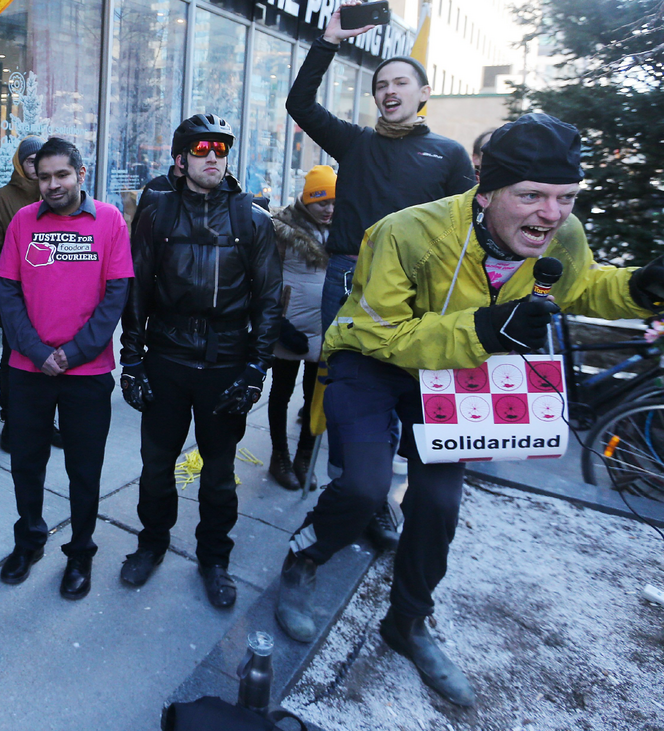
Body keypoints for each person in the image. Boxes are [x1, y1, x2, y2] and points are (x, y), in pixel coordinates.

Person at [274, 113, 664, 706]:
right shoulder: (406, 232)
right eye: (532, 195)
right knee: (363, 485)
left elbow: (581, 287)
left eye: (565, 197)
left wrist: (639, 289)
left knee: (438, 502)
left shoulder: (565, 234)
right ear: (486, 194)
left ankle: (405, 621)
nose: (552, 213)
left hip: (458, 367)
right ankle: (305, 559)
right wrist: (485, 328)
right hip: (373, 358)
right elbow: (381, 331)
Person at [286, 1, 476, 547]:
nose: (389, 91)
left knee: (398, 392)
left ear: (423, 94)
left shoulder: (448, 156)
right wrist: (328, 41)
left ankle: (369, 490)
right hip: (347, 281)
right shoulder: (356, 143)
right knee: (348, 393)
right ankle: (353, 493)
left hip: (419, 296)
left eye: (400, 82)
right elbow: (299, 102)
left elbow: (465, 237)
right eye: (381, 85)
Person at [119, 113, 282, 609]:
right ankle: (151, 544)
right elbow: (136, 288)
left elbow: (269, 299)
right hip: (167, 357)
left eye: (220, 150)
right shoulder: (156, 213)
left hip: (226, 362)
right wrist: (131, 359)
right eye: (202, 149)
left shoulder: (251, 218)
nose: (213, 157)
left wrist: (257, 368)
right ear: (180, 159)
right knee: (155, 467)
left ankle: (215, 558)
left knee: (217, 472)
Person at [0, 137, 133, 600]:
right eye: (44, 176)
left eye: (61, 175)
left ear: (80, 173)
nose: (52, 185)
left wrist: (71, 355)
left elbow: (115, 297)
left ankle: (79, 553)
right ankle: (29, 541)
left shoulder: (110, 221)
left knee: (84, 470)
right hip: (28, 370)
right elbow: (8, 293)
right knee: (26, 465)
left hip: (87, 373)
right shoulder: (22, 220)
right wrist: (37, 352)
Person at [266, 165, 333, 491]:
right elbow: (265, 277)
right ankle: (279, 456)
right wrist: (276, 323)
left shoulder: (344, 228)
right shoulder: (281, 229)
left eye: (335, 202)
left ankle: (305, 455)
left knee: (315, 395)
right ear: (308, 199)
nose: (329, 209)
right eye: (322, 202)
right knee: (280, 391)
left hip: (325, 329)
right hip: (288, 328)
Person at [0, 136, 48, 452]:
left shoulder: (57, 195)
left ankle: (46, 421)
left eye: (41, 158)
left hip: (52, 297)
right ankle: (11, 420)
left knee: (49, 357)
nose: (36, 165)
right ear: (19, 163)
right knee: (15, 355)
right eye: (30, 159)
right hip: (16, 296)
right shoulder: (2, 198)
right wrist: (10, 284)